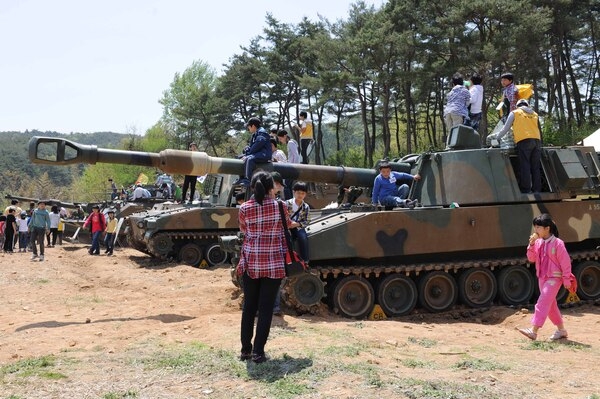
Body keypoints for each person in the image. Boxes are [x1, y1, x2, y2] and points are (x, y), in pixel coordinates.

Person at [237, 170, 289, 363]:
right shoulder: (280, 206)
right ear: (271, 187)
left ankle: (245, 351)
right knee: (266, 308)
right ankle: (258, 352)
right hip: (273, 263)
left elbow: (244, 229)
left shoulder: (244, 208)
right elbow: (286, 226)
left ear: (252, 187)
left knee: (249, 307)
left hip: (251, 263)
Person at [517, 214, 572, 341]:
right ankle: (561, 330)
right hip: (542, 278)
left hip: (554, 278)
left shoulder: (558, 243)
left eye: (538, 227)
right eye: (535, 227)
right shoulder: (538, 243)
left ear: (547, 228)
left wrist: (566, 278)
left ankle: (534, 330)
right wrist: (531, 245)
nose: (535, 230)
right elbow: (531, 259)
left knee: (542, 302)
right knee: (551, 306)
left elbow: (565, 262)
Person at [495, 99, 542, 193]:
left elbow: (506, 128)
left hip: (524, 141)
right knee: (535, 166)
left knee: (525, 165)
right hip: (536, 141)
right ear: (527, 105)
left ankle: (526, 189)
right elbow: (538, 129)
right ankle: (537, 190)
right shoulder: (535, 114)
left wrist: (497, 137)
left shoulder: (515, 113)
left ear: (517, 106)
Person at [236, 118, 272, 185]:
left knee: (249, 159)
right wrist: (247, 149)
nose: (248, 128)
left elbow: (258, 145)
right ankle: (241, 178)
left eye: (248, 126)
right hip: (257, 153)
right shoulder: (255, 134)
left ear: (253, 126)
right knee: (239, 157)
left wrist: (248, 154)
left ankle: (247, 179)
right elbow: (252, 146)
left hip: (264, 154)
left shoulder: (262, 132)